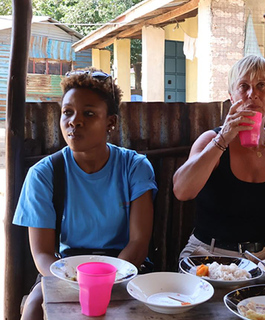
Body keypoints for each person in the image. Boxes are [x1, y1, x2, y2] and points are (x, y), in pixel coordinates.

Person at [13, 68, 157, 320]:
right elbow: (43, 253)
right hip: (67, 268)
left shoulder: (134, 167)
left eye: (89, 114)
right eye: (68, 112)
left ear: (110, 122)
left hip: (125, 266)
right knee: (34, 307)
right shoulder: (44, 174)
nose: (74, 121)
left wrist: (107, 280)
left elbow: (138, 243)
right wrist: (75, 281)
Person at [173, 55, 265, 260]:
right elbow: (182, 191)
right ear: (232, 96)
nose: (253, 94)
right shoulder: (211, 140)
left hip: (262, 256)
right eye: (244, 86)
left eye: (261, 85)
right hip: (206, 252)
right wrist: (223, 138)